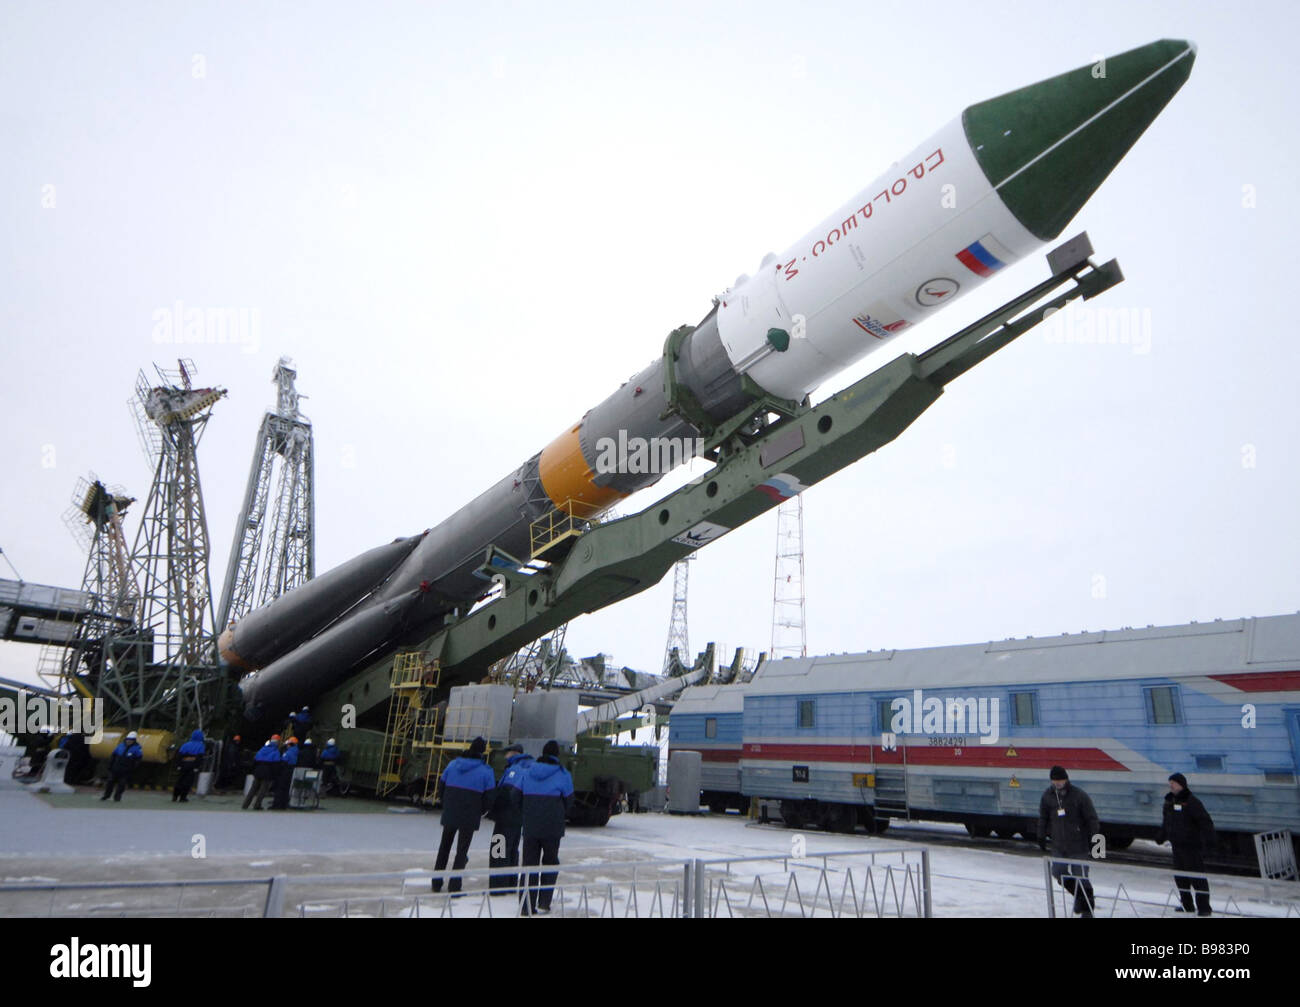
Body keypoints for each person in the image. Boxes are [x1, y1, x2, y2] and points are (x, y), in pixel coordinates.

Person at [432, 737, 496, 894]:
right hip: (470, 814)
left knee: (444, 847)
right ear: (482, 752)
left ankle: (436, 882)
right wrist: (481, 811)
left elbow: (441, 787)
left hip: (451, 811)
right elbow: (490, 797)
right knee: (462, 851)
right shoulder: (486, 771)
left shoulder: (453, 764)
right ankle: (455, 885)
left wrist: (446, 804)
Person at [1037, 765, 1100, 917]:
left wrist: (1095, 841)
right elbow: (1043, 817)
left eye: (1060, 780)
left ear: (1066, 779)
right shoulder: (1048, 796)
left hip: (1078, 845)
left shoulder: (1079, 796)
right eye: (1054, 780)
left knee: (1082, 878)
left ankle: (1087, 910)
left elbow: (1091, 818)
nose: (1057, 783)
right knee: (1058, 872)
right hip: (1059, 844)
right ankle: (1080, 898)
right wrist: (1041, 835)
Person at [520, 740, 574, 915]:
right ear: (557, 755)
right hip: (552, 827)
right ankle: (544, 902)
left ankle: (526, 906)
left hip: (530, 826)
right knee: (550, 862)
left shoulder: (528, 772)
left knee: (529, 865)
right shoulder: (562, 774)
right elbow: (569, 800)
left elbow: (516, 795)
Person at [1155, 772, 1215, 916]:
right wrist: (1161, 836)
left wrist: (1210, 841)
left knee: (1197, 877)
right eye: (1170, 784)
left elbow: (1205, 821)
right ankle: (1187, 905)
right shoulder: (1169, 801)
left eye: (1173, 784)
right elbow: (1167, 822)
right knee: (1180, 877)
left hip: (1191, 846)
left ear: (1181, 784)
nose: (1171, 786)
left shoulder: (1191, 801)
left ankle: (1204, 908)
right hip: (1177, 846)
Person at [487, 743, 533, 893]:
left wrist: (493, 810)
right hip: (520, 816)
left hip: (505, 815)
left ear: (513, 753)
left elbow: (506, 794)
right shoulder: (530, 767)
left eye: (507, 753)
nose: (505, 756)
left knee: (498, 848)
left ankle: (497, 885)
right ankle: (511, 882)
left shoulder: (514, 769)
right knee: (513, 848)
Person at [100, 731, 143, 802]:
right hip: (116, 768)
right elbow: (113, 756)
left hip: (126, 770)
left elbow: (138, 759)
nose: (129, 741)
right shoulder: (120, 745)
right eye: (128, 739)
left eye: (131, 740)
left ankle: (117, 797)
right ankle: (106, 795)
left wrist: (132, 768)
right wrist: (110, 766)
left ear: (134, 741)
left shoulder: (137, 748)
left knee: (122, 784)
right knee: (110, 782)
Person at [243, 736, 281, 810]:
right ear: (277, 742)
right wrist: (275, 775)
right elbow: (276, 765)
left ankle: (245, 804)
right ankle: (257, 805)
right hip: (267, 772)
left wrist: (253, 771)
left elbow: (255, 761)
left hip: (258, 771)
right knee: (262, 790)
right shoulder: (276, 752)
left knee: (253, 789)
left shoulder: (262, 749)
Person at [172, 729, 206, 802]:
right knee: (188, 781)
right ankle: (183, 797)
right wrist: (197, 767)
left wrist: (178, 765)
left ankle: (175, 796)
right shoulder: (201, 746)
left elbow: (179, 755)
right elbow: (200, 758)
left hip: (183, 764)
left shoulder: (185, 744)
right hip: (192, 765)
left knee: (180, 780)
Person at [272, 737, 299, 810]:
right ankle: (283, 804)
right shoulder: (296, 751)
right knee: (286, 788)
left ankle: (277, 805)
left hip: (285, 771)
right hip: (291, 771)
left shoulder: (288, 752)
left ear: (290, 744)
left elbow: (283, 762)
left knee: (280, 788)